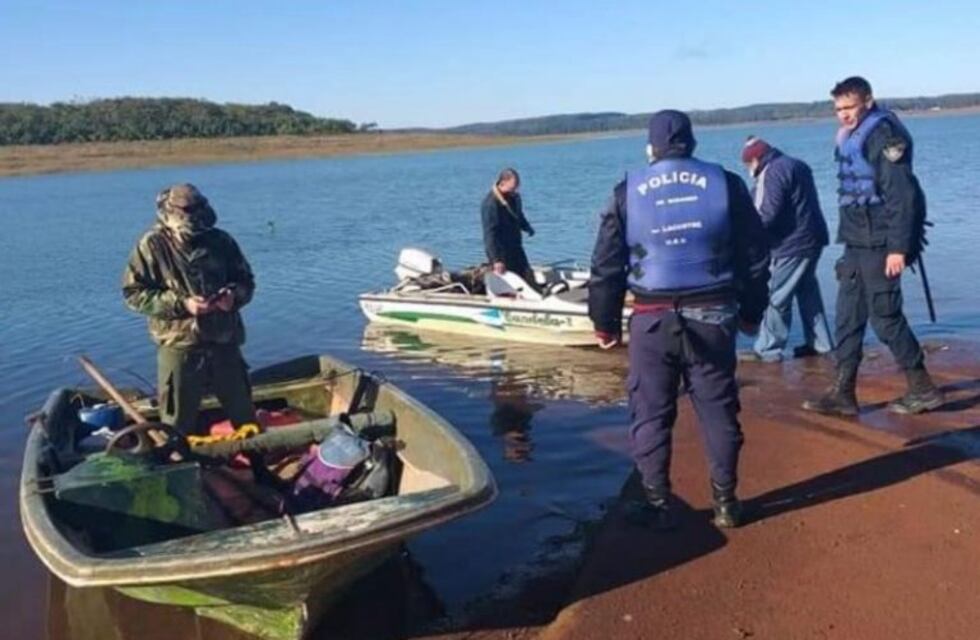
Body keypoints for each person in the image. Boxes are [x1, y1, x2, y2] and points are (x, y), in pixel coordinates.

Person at [589, 110, 770, 529]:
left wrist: (604, 324)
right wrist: (752, 312)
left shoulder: (625, 190)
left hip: (652, 319)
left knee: (650, 413)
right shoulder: (726, 183)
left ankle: (656, 503)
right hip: (713, 315)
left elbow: (606, 266)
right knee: (718, 409)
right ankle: (726, 502)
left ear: (651, 147)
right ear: (692, 142)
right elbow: (756, 257)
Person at [802, 76, 944, 416]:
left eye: (849, 107)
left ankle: (922, 387)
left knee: (884, 316)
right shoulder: (852, 135)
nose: (844, 115)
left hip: (880, 241)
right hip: (855, 240)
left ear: (867, 101)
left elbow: (901, 195)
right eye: (838, 109)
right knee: (848, 318)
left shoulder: (884, 135)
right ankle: (843, 392)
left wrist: (898, 247)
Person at [122, 183, 258, 435]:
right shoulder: (152, 245)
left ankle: (257, 466)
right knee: (177, 424)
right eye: (187, 212)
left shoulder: (221, 240)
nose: (194, 218)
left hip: (225, 343)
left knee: (245, 416)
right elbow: (134, 294)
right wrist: (183, 304)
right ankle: (182, 468)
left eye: (198, 210)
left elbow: (246, 281)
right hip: (180, 347)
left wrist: (233, 297)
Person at [738, 136, 833, 362]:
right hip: (813, 239)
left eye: (746, 164)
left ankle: (768, 349)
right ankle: (821, 344)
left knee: (776, 297)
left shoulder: (771, 172)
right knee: (808, 294)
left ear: (755, 159)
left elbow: (766, 214)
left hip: (790, 245)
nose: (746, 169)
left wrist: (746, 236)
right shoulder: (796, 164)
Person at [481, 168, 538, 287]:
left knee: (527, 276)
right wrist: (496, 260)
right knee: (509, 284)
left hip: (516, 247)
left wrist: (526, 227)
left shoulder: (514, 197)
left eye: (516, 186)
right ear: (502, 183)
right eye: (512, 187)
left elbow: (518, 215)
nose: (515, 190)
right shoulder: (491, 204)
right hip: (501, 252)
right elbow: (490, 235)